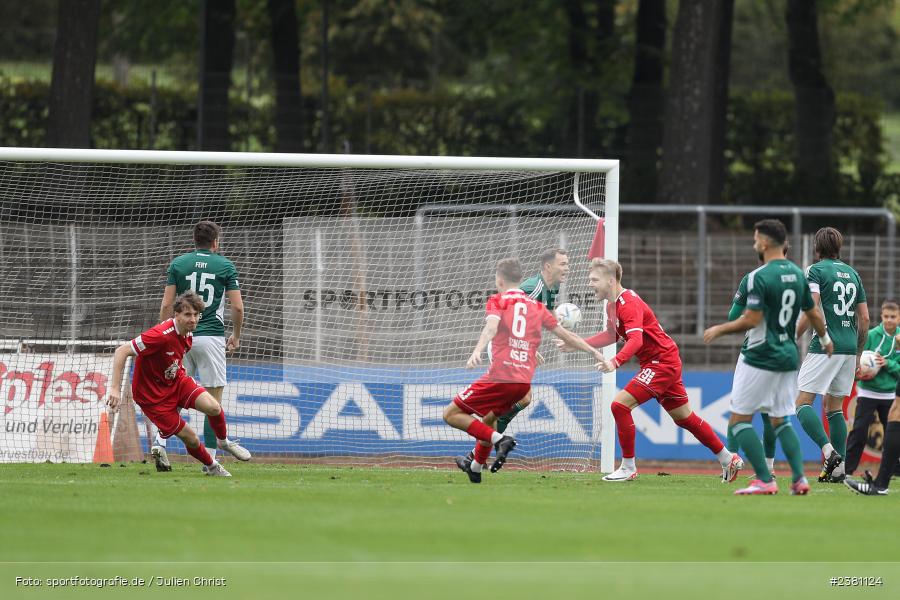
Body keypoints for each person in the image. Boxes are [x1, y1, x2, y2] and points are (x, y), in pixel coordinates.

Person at [559, 258, 741, 483]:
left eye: (594, 279)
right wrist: (578, 343)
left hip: (661, 362)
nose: (590, 284)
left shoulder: (629, 302)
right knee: (684, 418)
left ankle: (628, 467)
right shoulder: (611, 305)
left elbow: (636, 340)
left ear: (609, 280)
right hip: (663, 361)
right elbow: (612, 335)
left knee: (619, 405)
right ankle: (727, 458)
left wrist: (615, 361)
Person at [443, 257, 604, 483]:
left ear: (499, 280)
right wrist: (595, 353)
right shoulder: (537, 307)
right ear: (520, 280)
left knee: (450, 414)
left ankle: (501, 441)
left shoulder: (498, 300)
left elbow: (491, 327)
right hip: (522, 382)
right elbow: (566, 335)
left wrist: (477, 350)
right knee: (488, 419)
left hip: (500, 375)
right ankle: (476, 468)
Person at [704, 219, 833, 495]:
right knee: (780, 420)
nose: (754, 243)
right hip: (787, 355)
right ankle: (799, 479)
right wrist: (825, 339)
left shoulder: (758, 277)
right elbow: (813, 313)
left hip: (761, 354)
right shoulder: (799, 274)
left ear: (764, 242)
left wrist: (720, 329)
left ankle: (764, 478)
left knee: (738, 422)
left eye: (755, 238)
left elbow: (750, 319)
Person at [107, 291, 251, 477]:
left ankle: (223, 441)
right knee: (191, 438)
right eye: (187, 314)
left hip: (176, 381)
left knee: (214, 407)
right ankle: (213, 466)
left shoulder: (189, 333)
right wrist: (114, 389)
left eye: (196, 315)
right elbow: (122, 351)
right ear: (176, 315)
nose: (193, 319)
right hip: (152, 396)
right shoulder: (160, 335)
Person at [456, 248, 570, 471]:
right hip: (505, 348)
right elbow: (511, 317)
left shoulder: (552, 288)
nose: (567, 268)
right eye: (563, 264)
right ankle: (488, 446)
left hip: (518, 350)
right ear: (548, 267)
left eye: (567, 263)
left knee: (518, 401)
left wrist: (562, 324)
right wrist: (527, 346)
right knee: (517, 399)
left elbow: (544, 312)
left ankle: (483, 450)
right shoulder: (532, 287)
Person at [150, 221, 244, 472]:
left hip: (180, 337)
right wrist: (235, 335)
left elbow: (166, 304)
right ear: (215, 242)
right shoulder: (225, 265)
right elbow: (237, 307)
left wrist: (164, 335)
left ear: (195, 240)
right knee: (213, 401)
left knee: (174, 396)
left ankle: (160, 443)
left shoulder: (179, 264)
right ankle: (210, 461)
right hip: (211, 337)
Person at [794, 227, 868, 483]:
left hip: (826, 345)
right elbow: (866, 318)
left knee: (802, 402)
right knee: (834, 407)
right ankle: (840, 470)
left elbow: (812, 305)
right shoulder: (853, 274)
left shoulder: (815, 271)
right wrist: (859, 352)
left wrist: (793, 335)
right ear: (839, 247)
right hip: (849, 347)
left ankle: (829, 453)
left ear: (817, 248)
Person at [723, 246, 790, 479]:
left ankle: (730, 462)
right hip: (781, 353)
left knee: (738, 408)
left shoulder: (753, 279)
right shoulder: (795, 279)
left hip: (754, 353)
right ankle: (770, 468)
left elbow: (733, 316)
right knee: (771, 414)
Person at [845, 299, 900, 475]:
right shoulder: (871, 335)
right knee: (859, 432)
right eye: (886, 316)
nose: (889, 320)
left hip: (891, 395)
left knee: (893, 435)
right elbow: (857, 359)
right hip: (867, 392)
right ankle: (847, 470)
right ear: (881, 316)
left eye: (893, 316)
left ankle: (895, 471)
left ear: (899, 318)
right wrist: (859, 372)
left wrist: (887, 363)